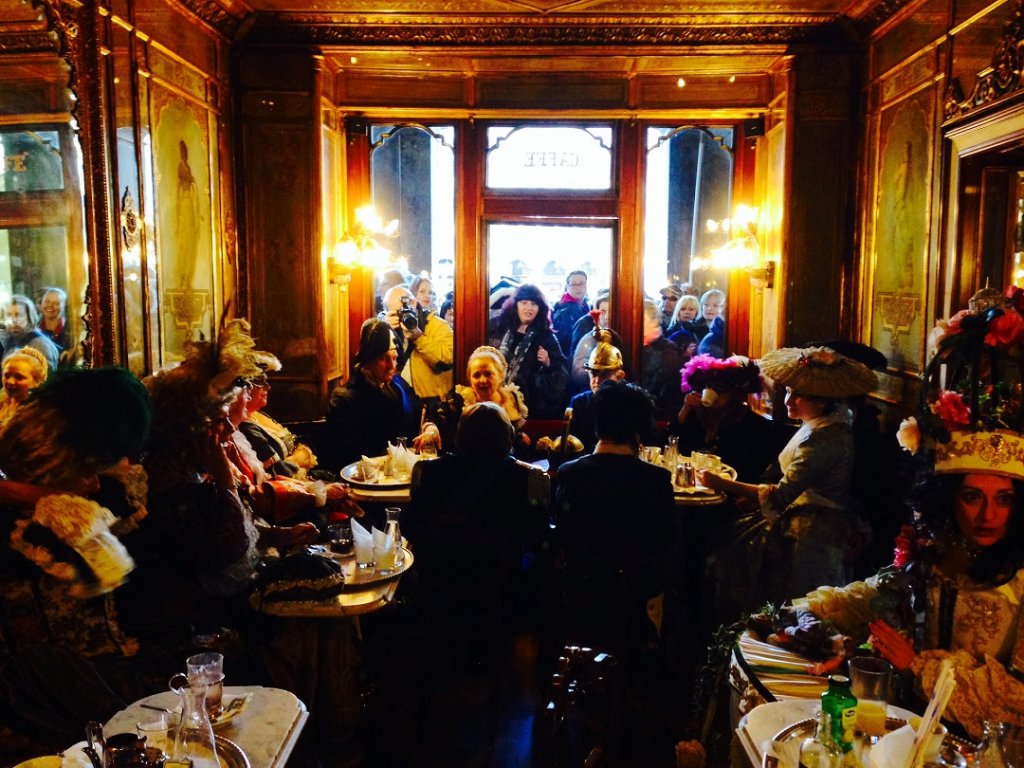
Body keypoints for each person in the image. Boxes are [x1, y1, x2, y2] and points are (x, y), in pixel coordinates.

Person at [0, 367, 155, 754]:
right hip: (38, 701)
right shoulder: (22, 534)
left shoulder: (92, 510)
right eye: (86, 471)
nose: (95, 484)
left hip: (103, 677)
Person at [699, 346, 877, 610]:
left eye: (798, 396)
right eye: (790, 392)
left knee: (742, 563)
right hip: (796, 512)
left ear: (822, 401)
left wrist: (722, 484)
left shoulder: (826, 438)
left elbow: (782, 494)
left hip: (813, 529)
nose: (788, 401)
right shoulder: (815, 424)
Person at [553, 380, 676, 662]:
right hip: (635, 601)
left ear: (597, 424)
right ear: (639, 430)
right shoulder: (656, 480)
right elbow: (666, 542)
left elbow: (562, 530)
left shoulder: (570, 473)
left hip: (577, 596)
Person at [326, 317, 441, 470]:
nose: (391, 366)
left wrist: (430, 427)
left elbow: (422, 408)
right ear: (368, 357)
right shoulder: (344, 399)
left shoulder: (398, 384)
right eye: (383, 359)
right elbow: (349, 454)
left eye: (394, 358)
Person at [670, 354, 780, 484]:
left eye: (720, 388)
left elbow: (753, 470)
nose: (712, 392)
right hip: (691, 483)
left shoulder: (753, 424)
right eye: (708, 386)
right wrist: (684, 411)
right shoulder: (696, 415)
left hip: (730, 488)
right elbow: (670, 446)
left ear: (734, 392)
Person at [489, 283, 569, 419]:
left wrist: (548, 364)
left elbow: (562, 376)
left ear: (540, 308)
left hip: (529, 408)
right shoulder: (498, 328)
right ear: (516, 305)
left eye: (534, 304)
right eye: (524, 302)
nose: (529, 308)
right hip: (495, 401)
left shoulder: (546, 336)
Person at [239, 355, 318, 479]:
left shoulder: (259, 415)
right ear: (246, 388)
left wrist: (298, 455)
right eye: (260, 381)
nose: (268, 387)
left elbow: (298, 440)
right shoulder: (246, 428)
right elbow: (280, 472)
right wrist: (301, 456)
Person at [449, 345, 530, 452]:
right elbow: (435, 419)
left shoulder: (511, 399)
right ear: (470, 379)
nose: (482, 380)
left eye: (488, 374)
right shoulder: (462, 401)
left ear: (500, 376)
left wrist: (520, 438)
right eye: (476, 375)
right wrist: (431, 430)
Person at [382, 284, 454, 401]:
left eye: (406, 309)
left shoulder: (437, 325)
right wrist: (385, 329)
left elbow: (449, 358)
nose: (404, 315)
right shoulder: (387, 328)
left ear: (414, 303)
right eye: (398, 313)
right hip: (399, 401)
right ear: (388, 313)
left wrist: (419, 338)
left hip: (431, 403)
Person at [568, 332, 627, 454]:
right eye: (593, 373)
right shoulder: (579, 403)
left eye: (604, 374)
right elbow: (570, 445)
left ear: (620, 376)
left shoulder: (631, 402)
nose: (597, 380)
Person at [639, 297, 685, 422]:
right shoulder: (631, 344)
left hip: (658, 412)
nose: (636, 322)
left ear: (654, 321)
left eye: (641, 319)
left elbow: (663, 381)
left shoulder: (667, 348)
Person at [2, 294, 59, 374]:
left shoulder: (40, 344)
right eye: (9, 315)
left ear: (29, 317)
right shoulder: (10, 340)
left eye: (18, 315)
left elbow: (46, 380)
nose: (13, 320)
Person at [0, 346, 47, 428]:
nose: (10, 381)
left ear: (37, 382)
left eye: (19, 377)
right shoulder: (2, 401)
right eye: (6, 375)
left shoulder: (38, 415)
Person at [552, 270, 590, 360]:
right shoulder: (564, 309)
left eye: (581, 284)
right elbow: (565, 341)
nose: (578, 288)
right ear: (567, 287)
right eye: (573, 284)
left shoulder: (586, 305)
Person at [36, 286, 70, 351]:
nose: (50, 305)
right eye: (47, 301)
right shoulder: (34, 329)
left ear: (64, 306)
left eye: (56, 303)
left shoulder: (71, 332)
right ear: (41, 304)